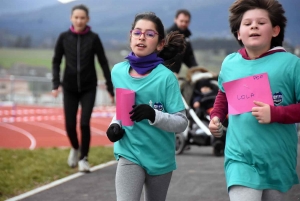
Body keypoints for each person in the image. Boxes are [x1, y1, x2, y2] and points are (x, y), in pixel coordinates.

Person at [208, 0, 300, 200]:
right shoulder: (230, 63)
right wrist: (216, 116)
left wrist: (276, 113)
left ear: (275, 31)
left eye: (261, 22)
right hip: (240, 157)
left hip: (278, 159)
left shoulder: (292, 65)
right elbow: (223, 94)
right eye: (247, 23)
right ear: (238, 34)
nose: (254, 26)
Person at [106, 12, 188, 201]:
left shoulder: (166, 78)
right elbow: (121, 110)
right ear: (131, 36)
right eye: (137, 32)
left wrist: (153, 115)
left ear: (160, 44)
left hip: (159, 158)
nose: (142, 37)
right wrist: (114, 125)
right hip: (129, 153)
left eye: (150, 34)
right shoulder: (118, 72)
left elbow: (181, 122)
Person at [51, 4, 114, 172]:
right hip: (70, 88)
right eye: (76, 17)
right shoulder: (64, 37)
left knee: (85, 123)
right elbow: (56, 61)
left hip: (88, 87)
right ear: (71, 18)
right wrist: (56, 83)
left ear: (88, 19)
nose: (79, 20)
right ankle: (75, 147)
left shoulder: (93, 38)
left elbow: (103, 62)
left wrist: (110, 87)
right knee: (70, 125)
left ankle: (84, 159)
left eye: (82, 18)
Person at [166, 9, 198, 75]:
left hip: (174, 75)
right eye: (181, 21)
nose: (183, 24)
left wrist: (198, 71)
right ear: (175, 20)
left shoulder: (186, 38)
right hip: (165, 73)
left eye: (186, 22)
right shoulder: (166, 36)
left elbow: (190, 59)